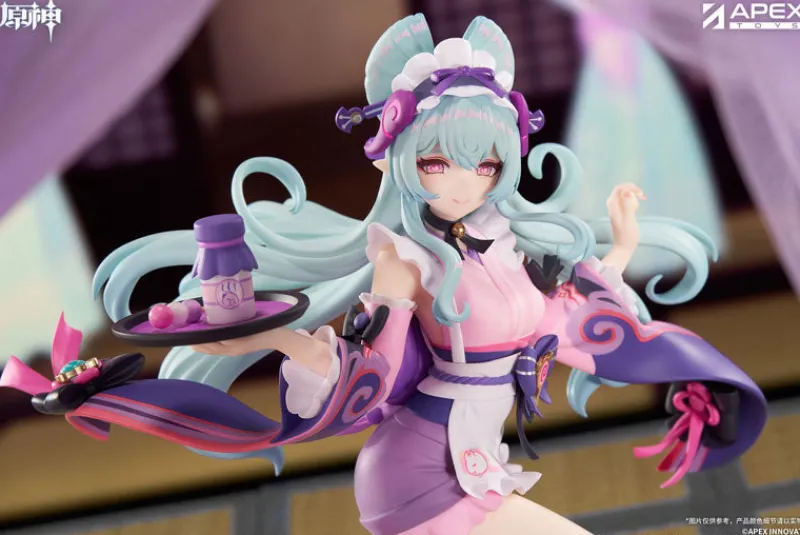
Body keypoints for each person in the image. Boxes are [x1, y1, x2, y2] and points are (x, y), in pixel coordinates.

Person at [1, 14, 766, 535]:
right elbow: (359, 367)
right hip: (418, 474)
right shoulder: (405, 259)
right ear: (402, 161)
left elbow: (576, 317)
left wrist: (623, 248)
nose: (462, 180)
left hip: (476, 467)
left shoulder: (507, 244)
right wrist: (269, 338)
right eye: (438, 161)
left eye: (484, 163)